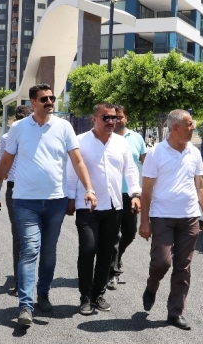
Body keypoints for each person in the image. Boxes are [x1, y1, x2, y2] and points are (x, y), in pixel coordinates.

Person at [0, 83, 97, 326]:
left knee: (48, 251)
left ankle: (43, 293)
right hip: (25, 201)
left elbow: (77, 162)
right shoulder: (19, 128)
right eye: (44, 99)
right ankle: (26, 305)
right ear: (33, 103)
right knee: (29, 250)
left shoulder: (64, 127)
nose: (49, 102)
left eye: (52, 98)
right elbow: (5, 162)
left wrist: (88, 188)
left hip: (56, 200)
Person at [138, 109, 203, 331]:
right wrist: (145, 222)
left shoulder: (194, 153)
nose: (193, 128)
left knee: (183, 267)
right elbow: (146, 190)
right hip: (162, 216)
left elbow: (200, 186)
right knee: (162, 262)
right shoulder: (155, 153)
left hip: (189, 217)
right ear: (175, 128)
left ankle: (175, 313)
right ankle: (152, 286)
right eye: (189, 124)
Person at [67, 102, 141, 315]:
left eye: (114, 118)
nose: (111, 121)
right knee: (88, 249)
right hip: (87, 207)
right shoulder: (80, 141)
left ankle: (97, 295)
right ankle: (85, 296)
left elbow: (130, 170)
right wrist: (70, 198)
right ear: (94, 119)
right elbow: (71, 171)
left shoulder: (121, 143)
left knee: (106, 253)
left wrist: (135, 194)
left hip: (114, 206)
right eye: (106, 117)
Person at [108, 104, 147, 290]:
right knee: (113, 235)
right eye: (113, 117)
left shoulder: (136, 138)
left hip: (131, 196)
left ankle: (117, 258)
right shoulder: (106, 138)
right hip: (111, 194)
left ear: (126, 118)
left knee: (130, 233)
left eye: (120, 117)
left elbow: (146, 163)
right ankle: (112, 272)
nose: (116, 120)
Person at [0, 105, 31, 296]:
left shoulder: (37, 136)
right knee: (19, 236)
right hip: (15, 189)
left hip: (35, 191)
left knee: (32, 239)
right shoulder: (7, 138)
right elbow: (2, 165)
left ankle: (29, 278)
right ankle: (20, 282)